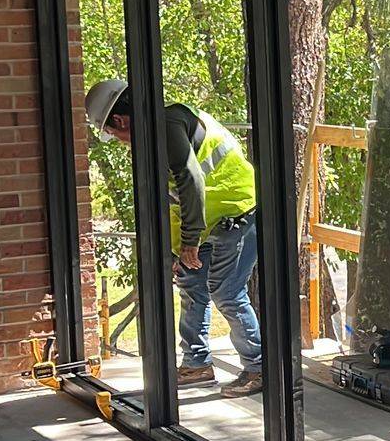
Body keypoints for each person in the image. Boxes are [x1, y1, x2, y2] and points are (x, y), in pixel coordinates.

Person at [85, 79, 263, 395]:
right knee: (191, 286)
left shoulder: (168, 124)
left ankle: (259, 368)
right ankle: (197, 365)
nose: (120, 141)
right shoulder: (152, 139)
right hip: (209, 221)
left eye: (114, 134)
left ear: (121, 120)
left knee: (227, 293)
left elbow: (191, 179)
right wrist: (172, 251)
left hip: (236, 214)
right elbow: (168, 200)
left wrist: (190, 241)